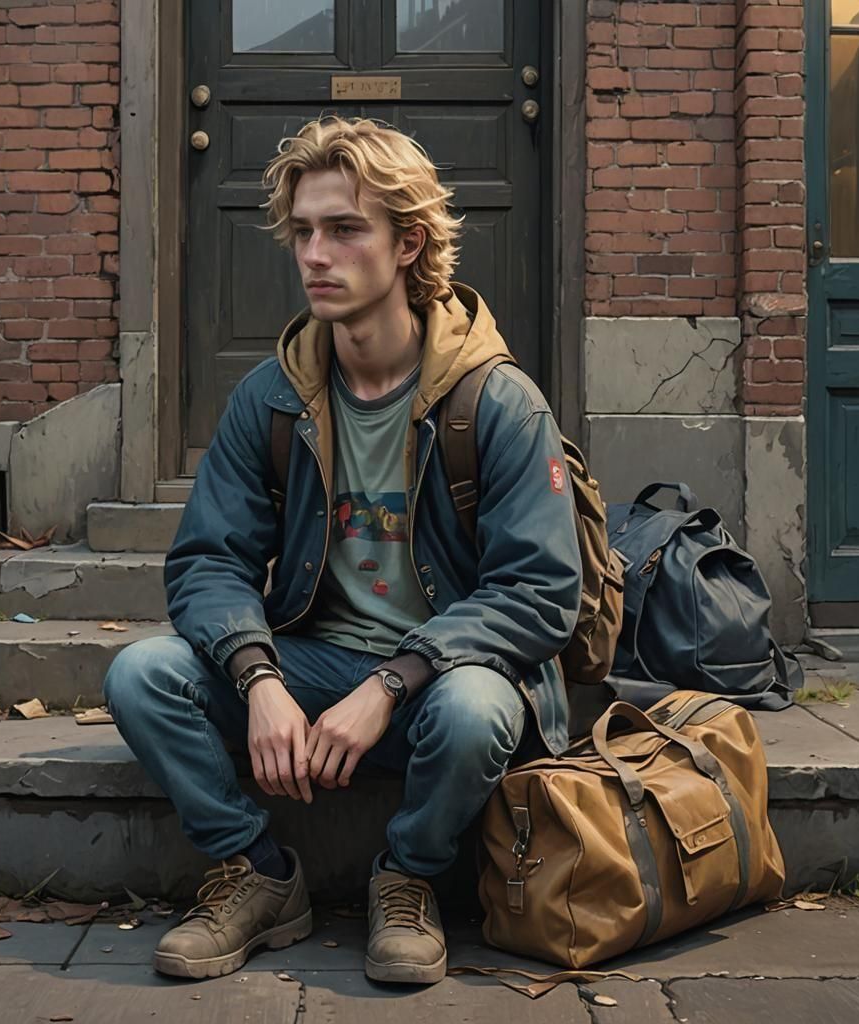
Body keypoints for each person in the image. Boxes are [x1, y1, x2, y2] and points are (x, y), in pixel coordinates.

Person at [103, 116, 582, 985]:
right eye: (305, 231)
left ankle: (410, 876)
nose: (315, 254)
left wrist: (391, 682)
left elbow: (542, 591)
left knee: (476, 710)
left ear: (410, 244)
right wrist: (259, 679)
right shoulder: (274, 396)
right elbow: (208, 562)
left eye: (345, 229)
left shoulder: (497, 401)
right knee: (142, 673)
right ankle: (257, 873)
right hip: (316, 669)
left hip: (442, 689)